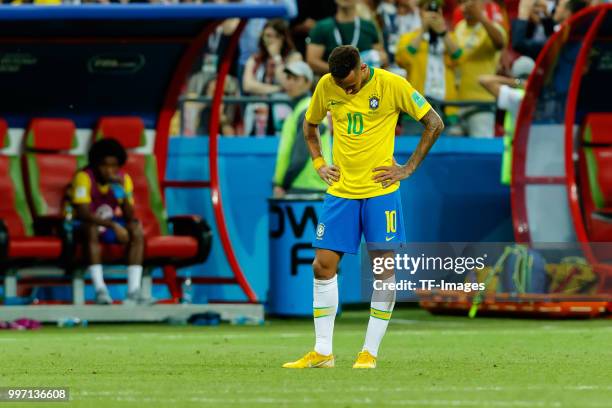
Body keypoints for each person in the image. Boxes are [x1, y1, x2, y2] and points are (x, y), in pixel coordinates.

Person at [283, 45, 444, 369]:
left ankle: (369, 351)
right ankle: (323, 351)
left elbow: (434, 123)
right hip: (341, 191)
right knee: (322, 266)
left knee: (382, 270)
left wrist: (407, 168)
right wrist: (318, 162)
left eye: (351, 84)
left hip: (380, 190)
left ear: (362, 68)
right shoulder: (326, 85)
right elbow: (309, 125)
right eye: (341, 85)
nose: (346, 89)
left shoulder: (392, 85)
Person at [68, 139, 144, 305]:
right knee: (92, 228)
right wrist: (114, 226)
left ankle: (134, 291)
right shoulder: (83, 177)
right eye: (104, 165)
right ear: (95, 164)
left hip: (110, 225)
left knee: (136, 229)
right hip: (84, 227)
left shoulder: (124, 180)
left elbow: (130, 216)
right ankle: (100, 290)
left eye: (114, 166)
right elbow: (83, 213)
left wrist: (121, 192)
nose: (109, 170)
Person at [395, 0, 461, 133]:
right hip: (417, 106)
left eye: (437, 10)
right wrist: (423, 30)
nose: (433, 14)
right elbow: (402, 59)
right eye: (428, 10)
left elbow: (459, 57)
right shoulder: (409, 38)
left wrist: (442, 32)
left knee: (445, 151)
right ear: (420, 12)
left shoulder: (450, 37)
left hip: (445, 106)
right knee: (413, 149)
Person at [273, 62, 332, 197]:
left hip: (308, 189)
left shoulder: (308, 111)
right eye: (288, 78)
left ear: (307, 82)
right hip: (305, 187)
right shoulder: (299, 110)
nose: (290, 83)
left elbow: (300, 155)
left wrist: (283, 184)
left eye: (296, 79)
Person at [453, 0, 507, 137]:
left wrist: (481, 18)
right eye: (463, 3)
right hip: (456, 103)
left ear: (482, 4)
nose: (466, 6)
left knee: (481, 151)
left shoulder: (493, 28)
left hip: (482, 103)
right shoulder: (459, 27)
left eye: (471, 2)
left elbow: (500, 43)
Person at [479, 56, 535, 185]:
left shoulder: (516, 97)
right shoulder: (539, 97)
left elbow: (483, 80)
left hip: (518, 158)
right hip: (531, 156)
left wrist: (514, 82)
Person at [242, 18, 302, 136]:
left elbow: (286, 82)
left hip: (284, 109)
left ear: (281, 38)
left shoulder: (294, 57)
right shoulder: (254, 59)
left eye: (271, 36)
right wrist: (277, 89)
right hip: (258, 112)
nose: (267, 40)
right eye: (265, 35)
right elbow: (247, 85)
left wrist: (276, 57)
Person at [306, 0, 387, 75]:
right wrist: (343, 72)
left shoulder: (368, 26)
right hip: (334, 85)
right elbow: (312, 61)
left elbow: (382, 57)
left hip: (365, 84)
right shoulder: (322, 27)